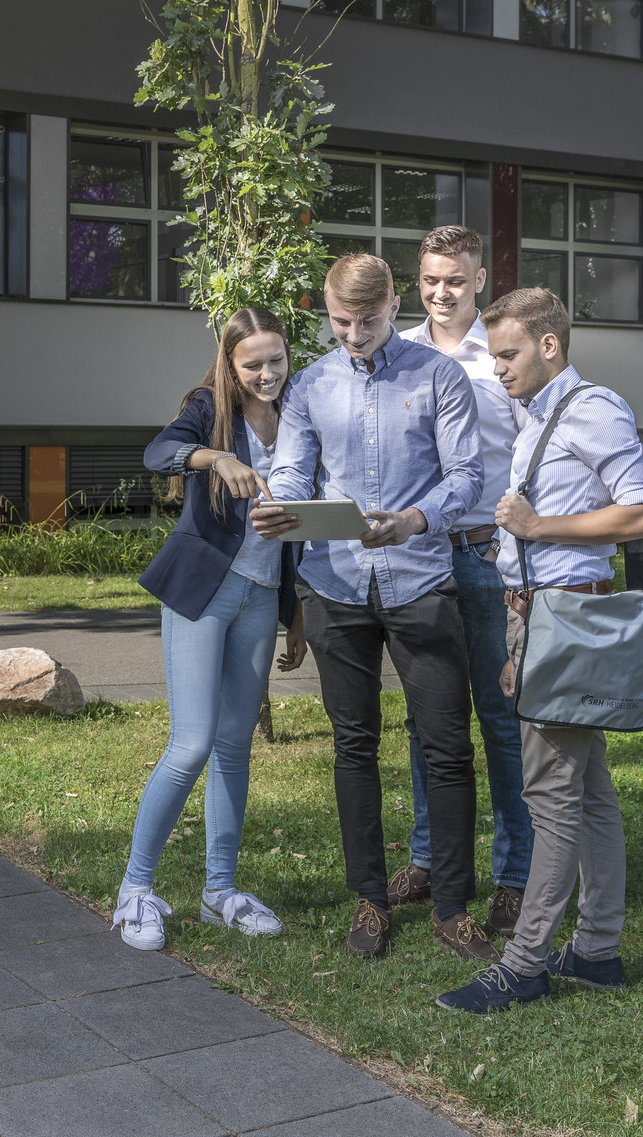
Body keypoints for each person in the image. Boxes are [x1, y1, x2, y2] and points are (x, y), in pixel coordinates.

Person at [253, 252, 493, 963]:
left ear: (395, 307)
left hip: (421, 581)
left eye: (367, 321)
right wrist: (281, 501)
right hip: (336, 586)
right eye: (339, 322)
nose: (353, 335)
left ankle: (452, 907)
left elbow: (467, 476)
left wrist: (415, 519)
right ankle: (369, 898)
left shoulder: (440, 376)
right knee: (353, 746)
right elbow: (296, 465)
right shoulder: (310, 386)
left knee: (446, 747)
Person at [436, 287, 643, 1015]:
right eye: (493, 354)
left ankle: (525, 962)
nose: (497, 367)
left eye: (507, 353)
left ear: (549, 345)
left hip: (566, 621)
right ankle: (596, 950)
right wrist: (518, 625)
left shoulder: (591, 407)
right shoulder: (539, 416)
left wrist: (539, 527)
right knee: (590, 793)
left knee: (552, 798)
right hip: (541, 619)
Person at [114, 308, 308, 951]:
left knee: (234, 746)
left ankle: (219, 890)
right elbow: (157, 452)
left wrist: (296, 612)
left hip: (262, 595)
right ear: (229, 363)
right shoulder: (207, 407)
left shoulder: (299, 412)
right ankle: (136, 890)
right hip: (204, 591)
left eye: (275, 359)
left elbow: (304, 518)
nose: (266, 373)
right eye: (251, 363)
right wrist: (214, 457)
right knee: (192, 743)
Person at [390, 225, 535, 941]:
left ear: (480, 280)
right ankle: (430, 858)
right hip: (420, 560)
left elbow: (530, 463)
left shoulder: (500, 355)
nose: (441, 292)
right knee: (427, 722)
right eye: (429, 280)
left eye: (455, 279)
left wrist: (518, 565)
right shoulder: (402, 354)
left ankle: (516, 876)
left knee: (501, 722)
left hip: (485, 558)